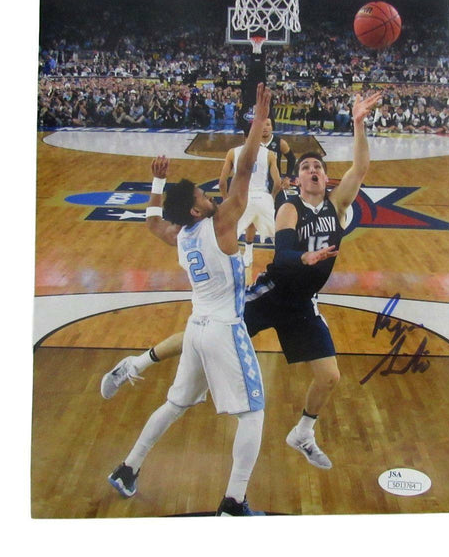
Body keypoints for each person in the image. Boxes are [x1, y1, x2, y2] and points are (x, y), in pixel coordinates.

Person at [102, 90, 382, 472]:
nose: (313, 170)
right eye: (306, 167)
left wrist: (359, 123)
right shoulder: (289, 207)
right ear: (297, 179)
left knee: (330, 377)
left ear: (326, 177)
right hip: (272, 293)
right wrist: (303, 257)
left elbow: (361, 168)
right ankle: (137, 363)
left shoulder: (336, 206)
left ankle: (303, 432)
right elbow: (283, 253)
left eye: (318, 166)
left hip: (303, 304)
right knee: (208, 330)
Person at [103, 83, 272, 516]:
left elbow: (151, 222)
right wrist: (258, 120)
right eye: (202, 196)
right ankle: (234, 502)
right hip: (223, 330)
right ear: (197, 211)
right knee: (253, 413)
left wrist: (158, 181)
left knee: (176, 404)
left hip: (196, 330)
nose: (210, 196)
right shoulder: (221, 224)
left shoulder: (180, 235)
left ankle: (128, 468)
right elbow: (246, 168)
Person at [218, 119, 281, 267]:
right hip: (263, 198)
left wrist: (226, 199)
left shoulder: (232, 152)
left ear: (244, 136)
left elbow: (222, 182)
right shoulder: (269, 154)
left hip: (242, 198)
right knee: (277, 236)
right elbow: (278, 182)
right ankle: (284, 263)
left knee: (229, 235)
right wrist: (271, 197)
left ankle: (237, 261)